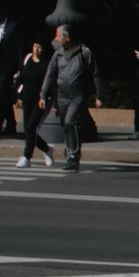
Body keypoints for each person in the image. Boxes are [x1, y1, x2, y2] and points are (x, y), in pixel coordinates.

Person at [41, 20, 96, 171]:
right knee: (66, 125)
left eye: (59, 36)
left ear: (68, 37)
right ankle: (70, 154)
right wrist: (43, 94)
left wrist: (98, 95)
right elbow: (50, 75)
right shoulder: (57, 54)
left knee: (70, 122)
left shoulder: (84, 52)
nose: (56, 39)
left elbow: (95, 73)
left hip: (77, 95)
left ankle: (74, 156)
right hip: (62, 95)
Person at [12, 33, 49, 166]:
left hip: (40, 100)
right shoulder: (27, 59)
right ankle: (46, 148)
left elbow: (49, 83)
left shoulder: (47, 64)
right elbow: (21, 79)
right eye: (35, 46)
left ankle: (27, 156)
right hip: (27, 97)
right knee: (28, 129)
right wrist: (19, 97)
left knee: (31, 126)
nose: (37, 50)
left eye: (40, 47)